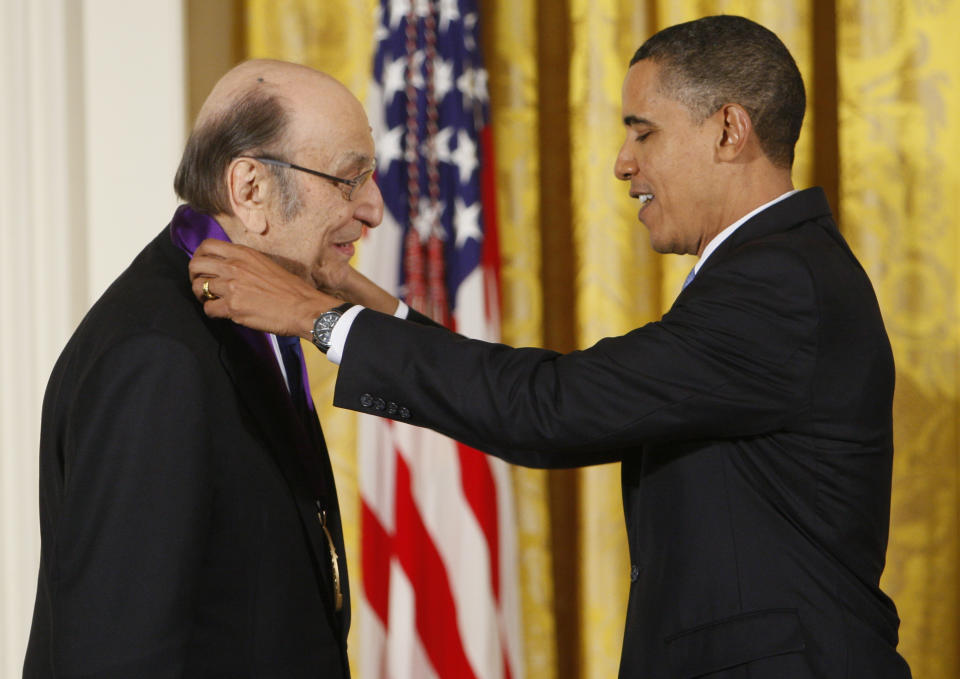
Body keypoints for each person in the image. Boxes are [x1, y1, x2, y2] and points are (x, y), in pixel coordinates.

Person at [189, 16, 912, 679]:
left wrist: (317, 317)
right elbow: (552, 400)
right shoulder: (778, 271)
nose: (623, 163)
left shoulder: (781, 283)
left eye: (644, 132)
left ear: (729, 131)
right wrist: (379, 311)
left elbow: (554, 408)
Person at [23, 59, 387, 677]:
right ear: (251, 190)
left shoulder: (244, 315)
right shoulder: (156, 359)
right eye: (349, 181)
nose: (374, 208)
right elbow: (118, 652)